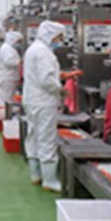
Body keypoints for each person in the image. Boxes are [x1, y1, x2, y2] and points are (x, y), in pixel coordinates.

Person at [22, 20, 66, 192]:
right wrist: (61, 90)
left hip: (32, 99)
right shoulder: (44, 52)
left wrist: (59, 76)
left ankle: (36, 174)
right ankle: (50, 180)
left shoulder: (33, 49)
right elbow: (46, 80)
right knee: (46, 139)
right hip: (44, 102)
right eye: (59, 37)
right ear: (51, 35)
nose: (60, 41)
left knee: (33, 136)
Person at [0, 31, 23, 108]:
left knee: (8, 99)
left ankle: (7, 112)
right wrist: (20, 61)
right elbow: (9, 62)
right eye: (18, 41)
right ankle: (5, 113)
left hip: (9, 78)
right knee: (6, 100)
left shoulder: (9, 48)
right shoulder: (6, 48)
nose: (19, 44)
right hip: (6, 78)